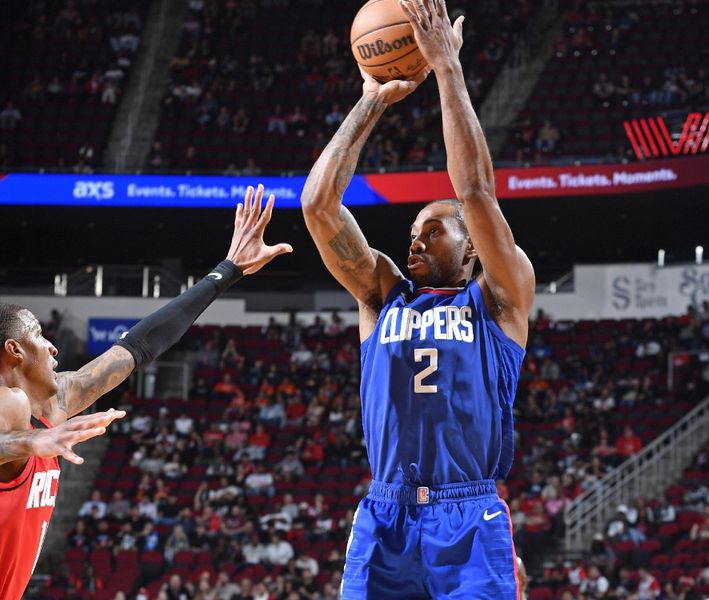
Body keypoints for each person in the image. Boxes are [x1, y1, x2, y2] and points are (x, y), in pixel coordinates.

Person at [300, 0, 535, 595]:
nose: (417, 241)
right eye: (412, 233)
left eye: (434, 230)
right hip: (386, 511)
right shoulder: (383, 297)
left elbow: (476, 190)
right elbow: (317, 206)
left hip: (467, 511)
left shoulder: (499, 300)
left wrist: (447, 70)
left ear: (473, 249)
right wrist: (370, 102)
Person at [0, 185, 291, 598]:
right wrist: (34, 440)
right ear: (13, 350)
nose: (52, 346)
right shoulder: (8, 402)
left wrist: (227, 271)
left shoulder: (55, 402)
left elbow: (139, 345)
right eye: (38, 336)